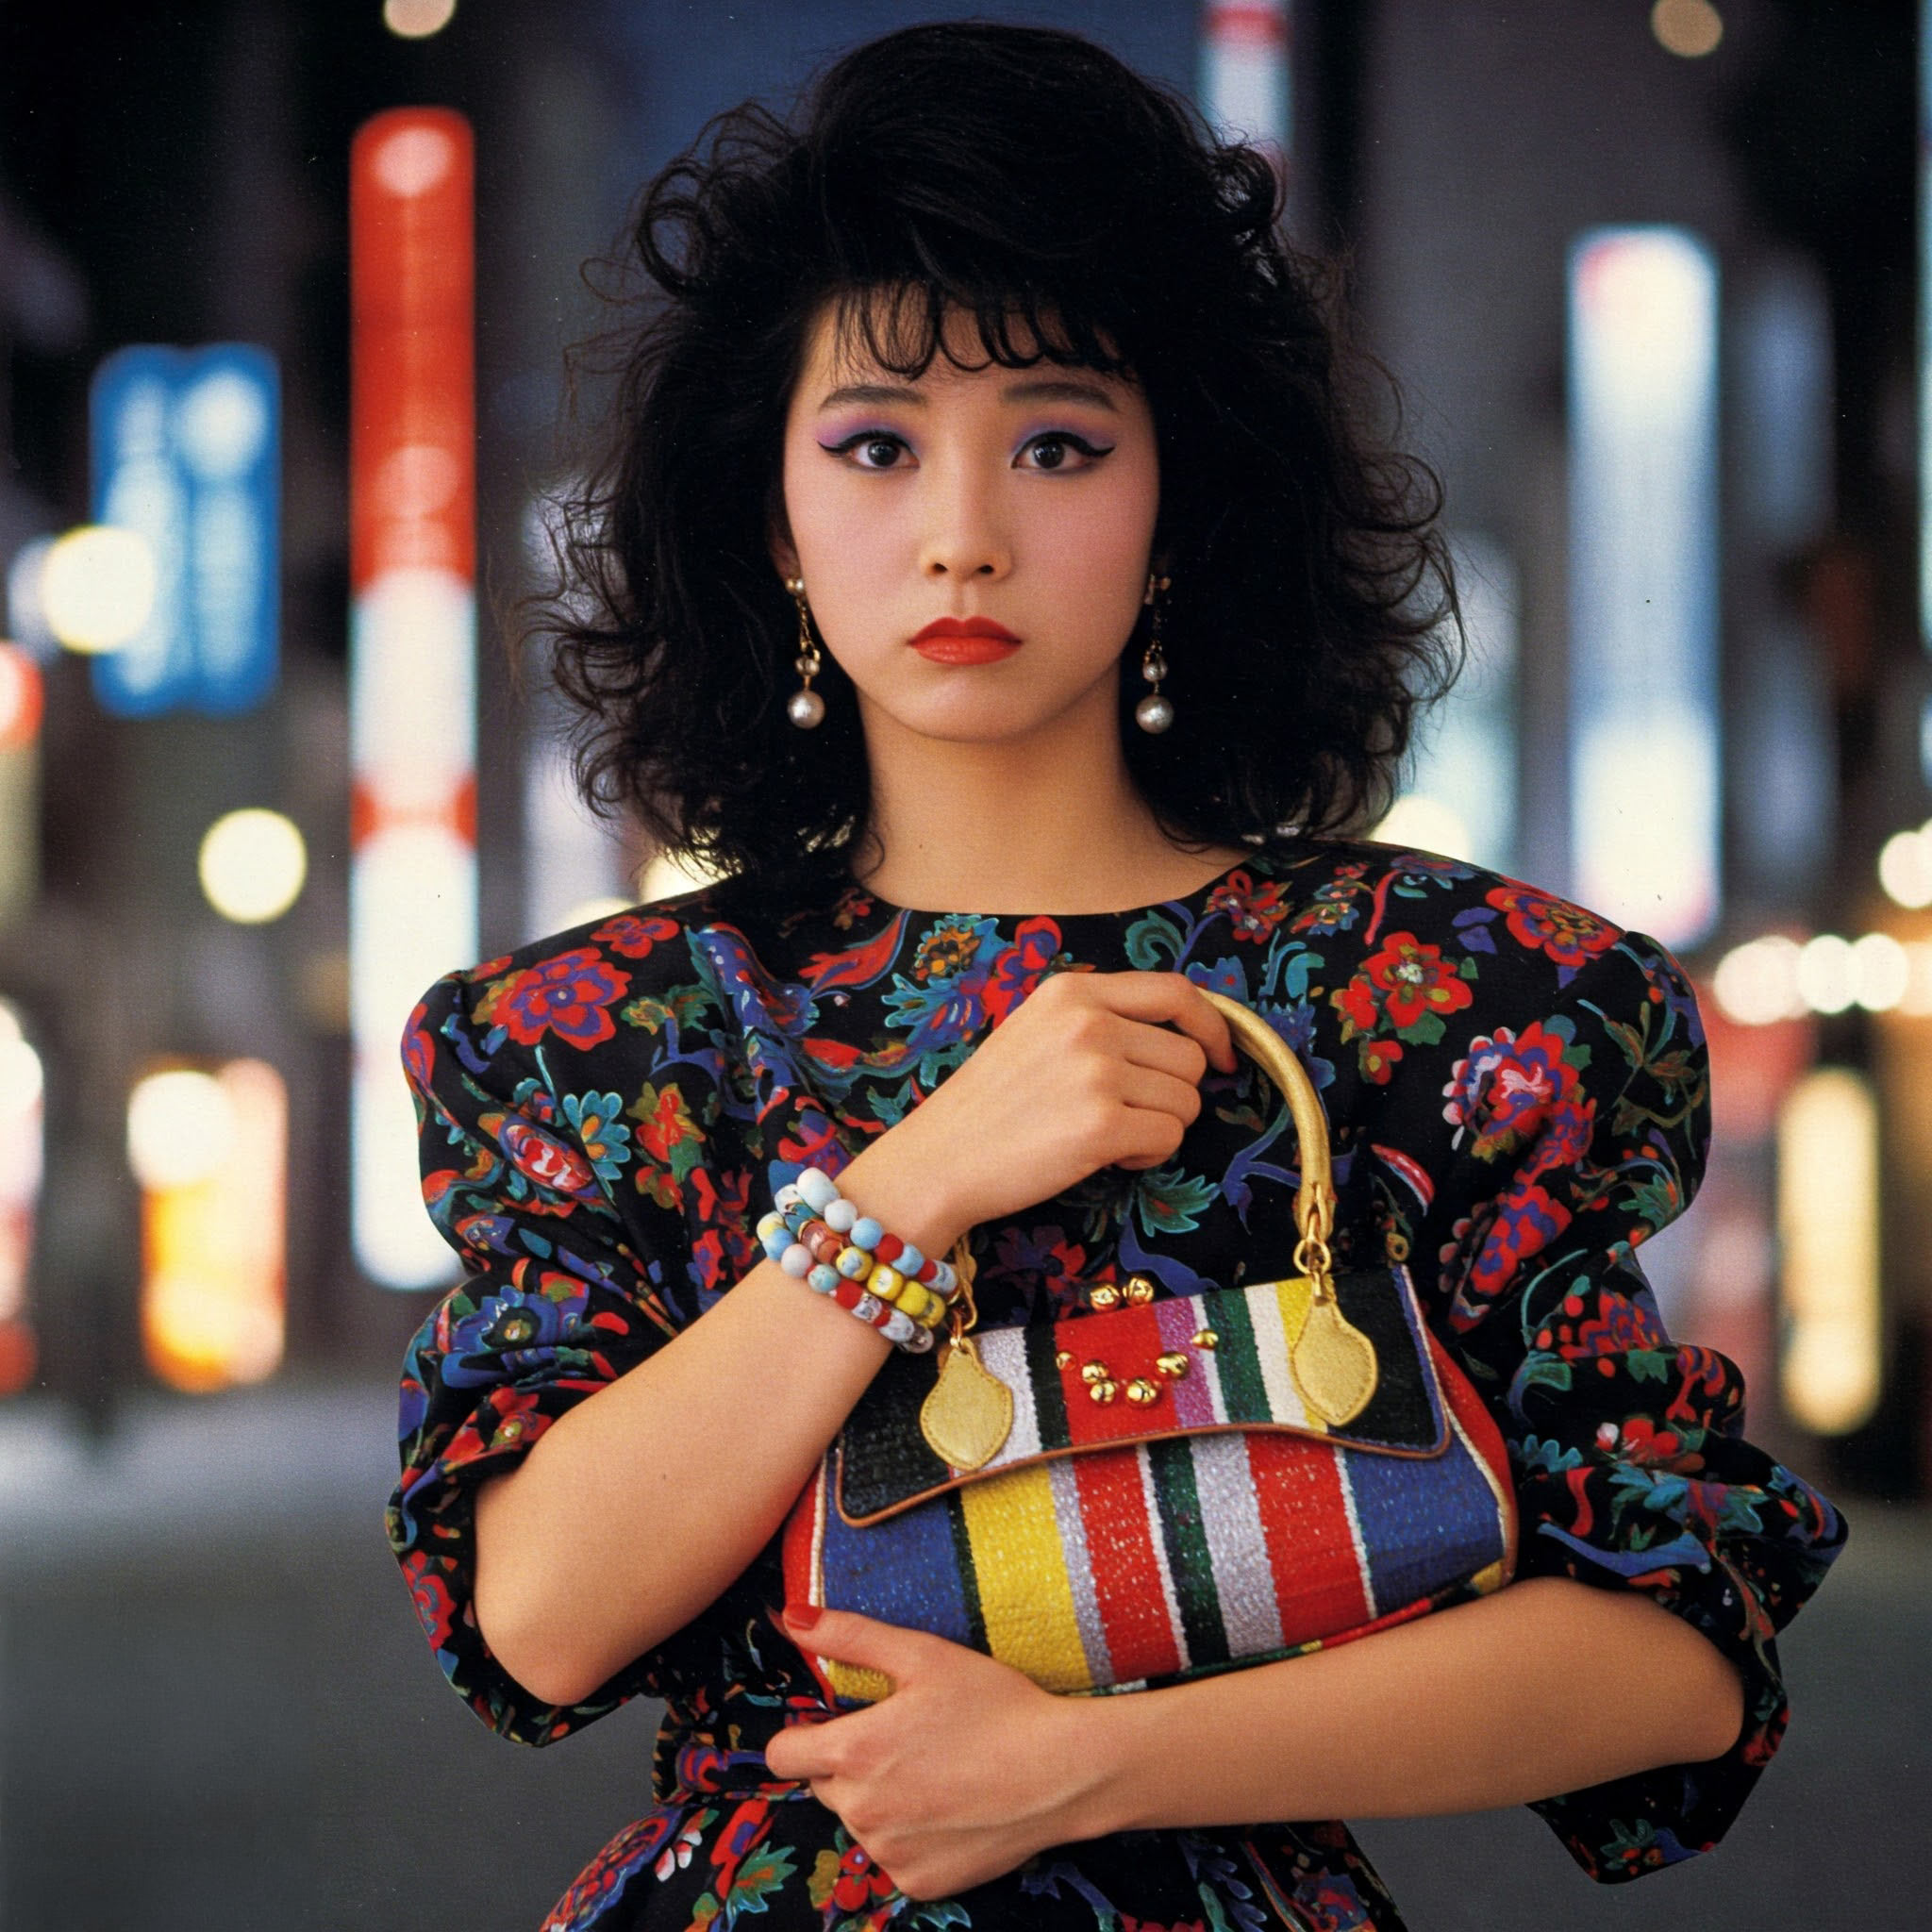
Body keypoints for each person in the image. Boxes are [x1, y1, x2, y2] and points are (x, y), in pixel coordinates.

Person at [386, 22, 1846, 1931]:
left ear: (1179, 508)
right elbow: (546, 1618)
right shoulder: (614, 1041)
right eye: (875, 446)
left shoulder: (1450, 1007)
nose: (964, 531)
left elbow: (1678, 1649)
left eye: (1058, 441)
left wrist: (1094, 1762)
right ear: (770, 519)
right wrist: (915, 1181)